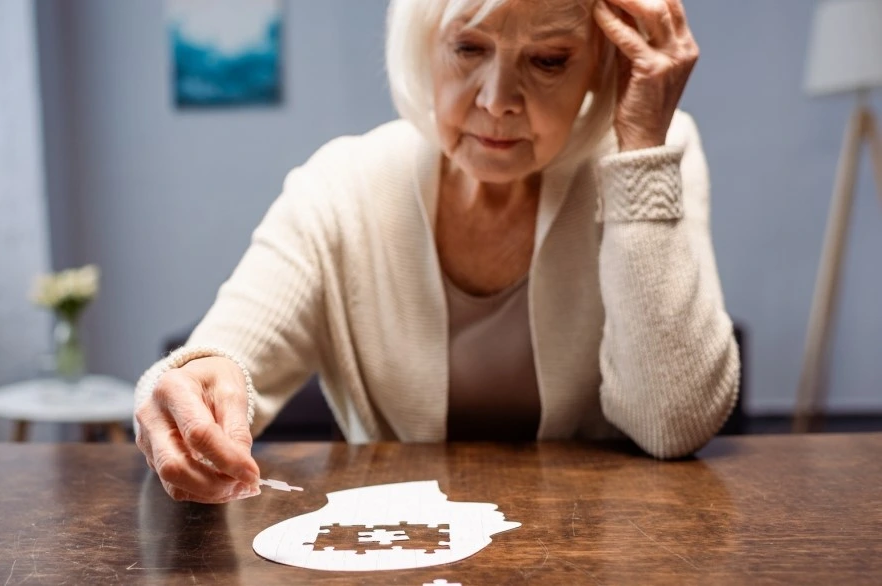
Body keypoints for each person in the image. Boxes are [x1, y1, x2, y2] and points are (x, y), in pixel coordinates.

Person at [134, 0, 739, 504]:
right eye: (469, 49)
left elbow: (673, 425)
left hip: (597, 548)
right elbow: (219, 359)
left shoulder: (652, 150)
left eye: (549, 60)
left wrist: (639, 156)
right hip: (393, 551)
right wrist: (184, 390)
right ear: (424, 45)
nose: (498, 99)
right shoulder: (342, 184)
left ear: (602, 65)